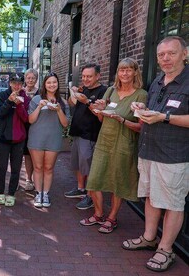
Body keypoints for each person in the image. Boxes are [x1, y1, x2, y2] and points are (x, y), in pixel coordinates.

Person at [123, 36, 189, 272]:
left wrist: (165, 117)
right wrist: (143, 109)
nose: (165, 59)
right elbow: (155, 109)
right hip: (149, 150)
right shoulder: (158, 81)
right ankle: (149, 237)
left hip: (174, 155)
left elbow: (167, 115)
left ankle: (166, 249)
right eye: (161, 55)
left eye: (171, 53)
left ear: (185, 53)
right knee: (151, 197)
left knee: (172, 203)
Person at [79, 58, 147, 234]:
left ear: (135, 72)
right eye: (121, 70)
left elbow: (141, 127)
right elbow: (101, 117)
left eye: (128, 70)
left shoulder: (141, 95)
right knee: (93, 180)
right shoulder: (110, 90)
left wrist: (122, 120)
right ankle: (99, 213)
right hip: (104, 141)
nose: (124, 74)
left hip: (124, 143)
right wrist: (99, 108)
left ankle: (112, 218)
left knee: (118, 182)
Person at [64, 63, 107, 210]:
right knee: (77, 163)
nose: (85, 79)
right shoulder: (84, 89)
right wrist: (73, 94)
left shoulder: (103, 91)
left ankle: (90, 195)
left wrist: (86, 101)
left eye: (89, 76)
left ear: (97, 76)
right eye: (83, 76)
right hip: (77, 132)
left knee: (88, 166)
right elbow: (72, 104)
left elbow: (100, 113)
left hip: (90, 134)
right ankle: (80, 189)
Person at [28, 72, 69, 208]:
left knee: (49, 167)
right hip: (36, 138)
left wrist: (58, 110)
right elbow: (30, 120)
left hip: (53, 139)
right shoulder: (36, 100)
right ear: (44, 85)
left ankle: (46, 193)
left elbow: (65, 124)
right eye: (49, 82)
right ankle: (38, 193)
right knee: (38, 167)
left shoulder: (62, 102)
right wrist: (40, 106)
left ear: (58, 84)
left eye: (54, 82)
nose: (52, 85)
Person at [0, 73, 30, 206]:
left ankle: (11, 193)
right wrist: (10, 101)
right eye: (14, 82)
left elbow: (26, 119)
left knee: (16, 168)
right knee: (1, 167)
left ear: (22, 85)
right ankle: (0, 192)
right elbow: (0, 113)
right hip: (3, 138)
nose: (17, 86)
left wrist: (19, 104)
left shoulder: (25, 98)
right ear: (10, 83)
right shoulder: (3, 95)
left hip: (19, 139)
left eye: (20, 83)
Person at [22, 68, 39, 191]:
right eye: (28, 77)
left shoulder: (41, 93)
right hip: (22, 127)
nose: (30, 80)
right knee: (25, 154)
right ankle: (27, 179)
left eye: (33, 78)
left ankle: (34, 178)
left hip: (36, 127)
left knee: (35, 154)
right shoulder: (20, 92)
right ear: (25, 79)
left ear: (36, 79)